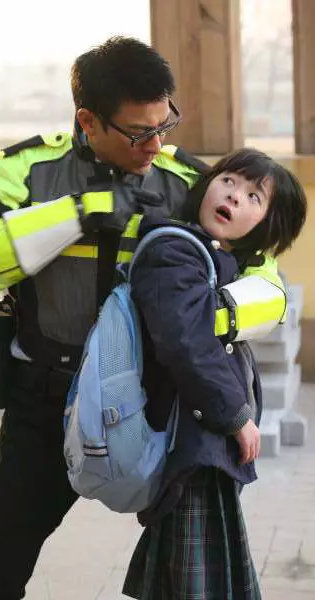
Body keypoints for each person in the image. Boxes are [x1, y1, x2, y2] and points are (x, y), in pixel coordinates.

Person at [0, 37, 287, 600]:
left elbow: (270, 288)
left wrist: (206, 319)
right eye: (138, 133)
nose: (156, 144)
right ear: (88, 120)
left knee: (192, 578)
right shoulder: (26, 170)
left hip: (158, 408)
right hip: (46, 400)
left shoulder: (188, 181)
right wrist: (76, 214)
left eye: (164, 124)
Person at [122, 148, 307, 600]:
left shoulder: (214, 257)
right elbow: (187, 344)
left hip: (202, 445)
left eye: (253, 196)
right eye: (228, 181)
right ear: (206, 185)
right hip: (190, 443)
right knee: (197, 582)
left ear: (266, 227)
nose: (234, 195)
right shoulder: (173, 250)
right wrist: (235, 416)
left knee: (186, 579)